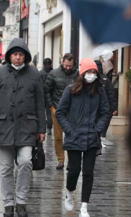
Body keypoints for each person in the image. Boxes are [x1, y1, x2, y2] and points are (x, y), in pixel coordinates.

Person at [0, 38, 46, 217]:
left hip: (27, 126)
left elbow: (39, 103)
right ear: (9, 56)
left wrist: (41, 128)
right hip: (4, 127)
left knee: (26, 162)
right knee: (5, 168)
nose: (17, 58)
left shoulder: (34, 73)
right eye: (14, 54)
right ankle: (8, 204)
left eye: (20, 55)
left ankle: (21, 201)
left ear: (25, 56)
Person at [56, 58, 110, 217]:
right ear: (82, 73)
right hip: (74, 135)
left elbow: (106, 112)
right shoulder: (71, 90)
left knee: (88, 172)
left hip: (91, 137)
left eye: (94, 72)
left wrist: (98, 130)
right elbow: (60, 112)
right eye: (89, 72)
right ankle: (70, 193)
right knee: (74, 170)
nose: (91, 75)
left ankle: (84, 207)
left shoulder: (100, 91)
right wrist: (69, 130)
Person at [44, 53, 79, 170]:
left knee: (71, 135)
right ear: (62, 62)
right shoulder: (53, 74)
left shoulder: (77, 74)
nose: (68, 68)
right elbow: (46, 90)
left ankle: (70, 160)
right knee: (58, 137)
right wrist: (51, 107)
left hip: (73, 110)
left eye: (70, 66)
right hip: (57, 109)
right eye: (66, 65)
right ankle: (60, 160)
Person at [95, 60, 117, 146]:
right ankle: (101, 136)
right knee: (103, 121)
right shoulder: (105, 79)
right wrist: (113, 107)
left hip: (95, 106)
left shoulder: (95, 78)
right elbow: (111, 94)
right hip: (105, 106)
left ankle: (98, 137)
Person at [39, 58, 54, 135]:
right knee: (49, 112)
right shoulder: (54, 72)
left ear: (43, 65)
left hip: (42, 94)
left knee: (41, 111)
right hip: (50, 95)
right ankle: (49, 128)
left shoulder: (41, 73)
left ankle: (41, 128)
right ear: (51, 64)